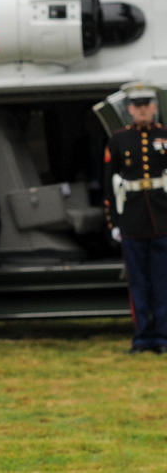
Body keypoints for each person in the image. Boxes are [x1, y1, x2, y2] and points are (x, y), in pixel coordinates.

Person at [104, 81, 167, 354]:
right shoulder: (119, 139)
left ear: (154, 107)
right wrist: (114, 223)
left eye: (146, 106)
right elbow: (109, 183)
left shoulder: (165, 135)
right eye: (137, 106)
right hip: (132, 220)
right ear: (130, 109)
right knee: (138, 283)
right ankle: (142, 336)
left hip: (163, 219)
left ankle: (163, 337)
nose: (142, 111)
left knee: (163, 281)